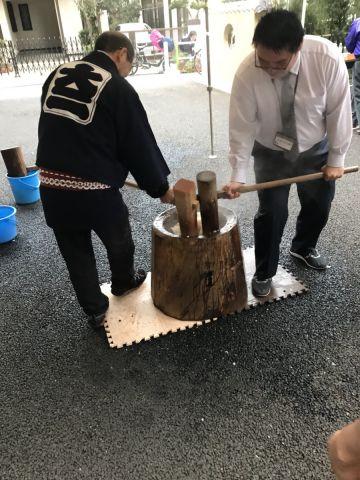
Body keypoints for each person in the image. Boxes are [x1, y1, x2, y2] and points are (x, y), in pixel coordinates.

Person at [36, 31, 174, 329]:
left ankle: (95, 310)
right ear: (121, 54)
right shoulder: (118, 88)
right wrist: (160, 187)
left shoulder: (56, 74)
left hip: (50, 182)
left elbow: (58, 125)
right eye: (129, 64)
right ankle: (123, 282)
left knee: (75, 250)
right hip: (94, 188)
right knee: (119, 239)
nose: (127, 70)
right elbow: (137, 143)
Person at [223, 9, 352, 297]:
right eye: (263, 61)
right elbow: (241, 127)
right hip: (270, 150)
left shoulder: (327, 59)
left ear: (299, 47)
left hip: (314, 148)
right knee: (271, 212)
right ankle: (265, 271)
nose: (270, 69)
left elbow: (338, 111)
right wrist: (237, 175)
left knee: (319, 205)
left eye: (279, 63)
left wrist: (336, 158)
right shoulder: (247, 72)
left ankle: (303, 247)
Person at [345, 17, 360, 133]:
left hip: (359, 60)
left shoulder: (358, 22)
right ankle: (354, 120)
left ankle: (357, 121)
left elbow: (350, 43)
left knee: (357, 93)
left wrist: (352, 50)